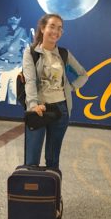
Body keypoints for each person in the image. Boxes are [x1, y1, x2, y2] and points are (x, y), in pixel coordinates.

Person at [22, 13, 88, 168]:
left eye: (60, 28)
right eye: (52, 26)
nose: (56, 31)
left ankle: (51, 191)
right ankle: (31, 191)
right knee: (32, 160)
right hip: (39, 109)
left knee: (53, 159)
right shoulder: (31, 53)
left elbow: (83, 75)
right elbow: (30, 80)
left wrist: (70, 88)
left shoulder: (64, 54)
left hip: (61, 110)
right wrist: (33, 105)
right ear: (43, 28)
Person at [0, 14, 28, 104]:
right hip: (4, 64)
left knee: (13, 92)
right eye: (11, 16)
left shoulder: (23, 31)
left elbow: (26, 47)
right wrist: (5, 42)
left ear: (20, 18)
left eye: (16, 16)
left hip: (17, 65)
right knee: (1, 90)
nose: (14, 19)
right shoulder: (2, 29)